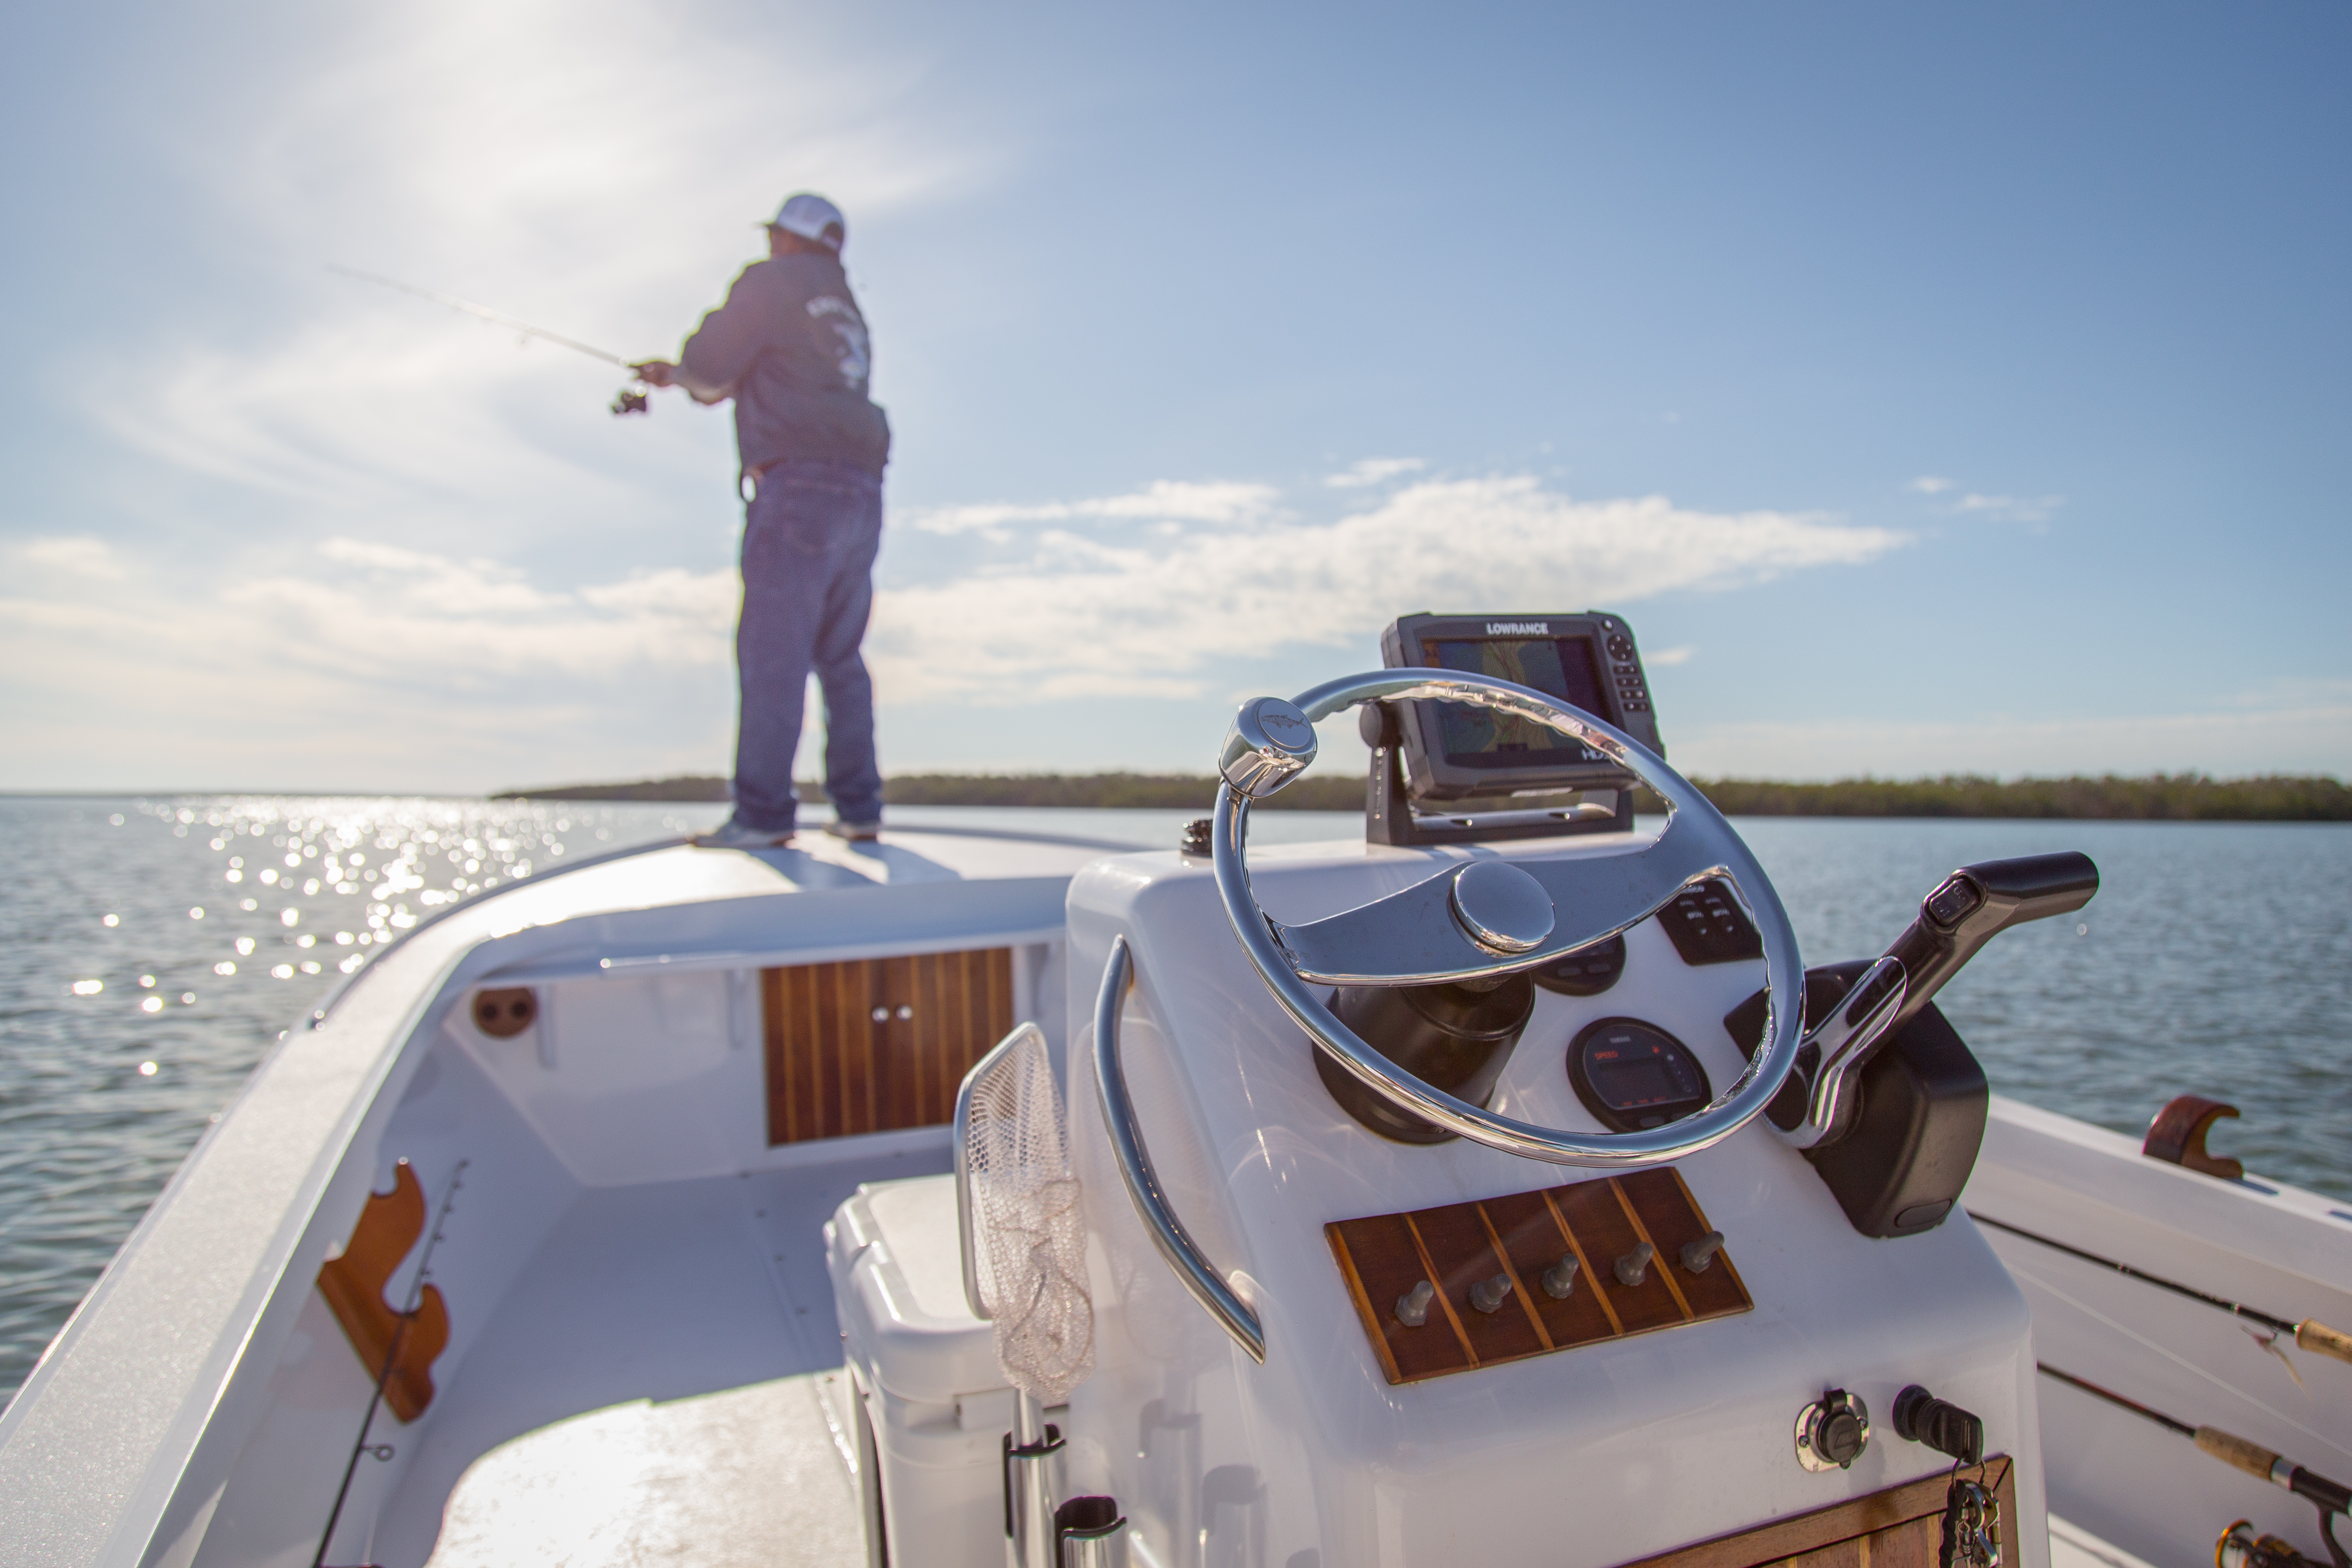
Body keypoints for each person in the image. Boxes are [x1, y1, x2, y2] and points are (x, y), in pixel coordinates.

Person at [634, 193, 891, 847]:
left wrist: (683, 375)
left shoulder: (770, 281)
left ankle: (763, 815)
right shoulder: (845, 307)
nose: (770, 246)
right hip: (862, 490)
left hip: (797, 487)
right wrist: (689, 379)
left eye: (775, 236)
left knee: (774, 649)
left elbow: (713, 369)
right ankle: (860, 808)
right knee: (840, 653)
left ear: (788, 239)